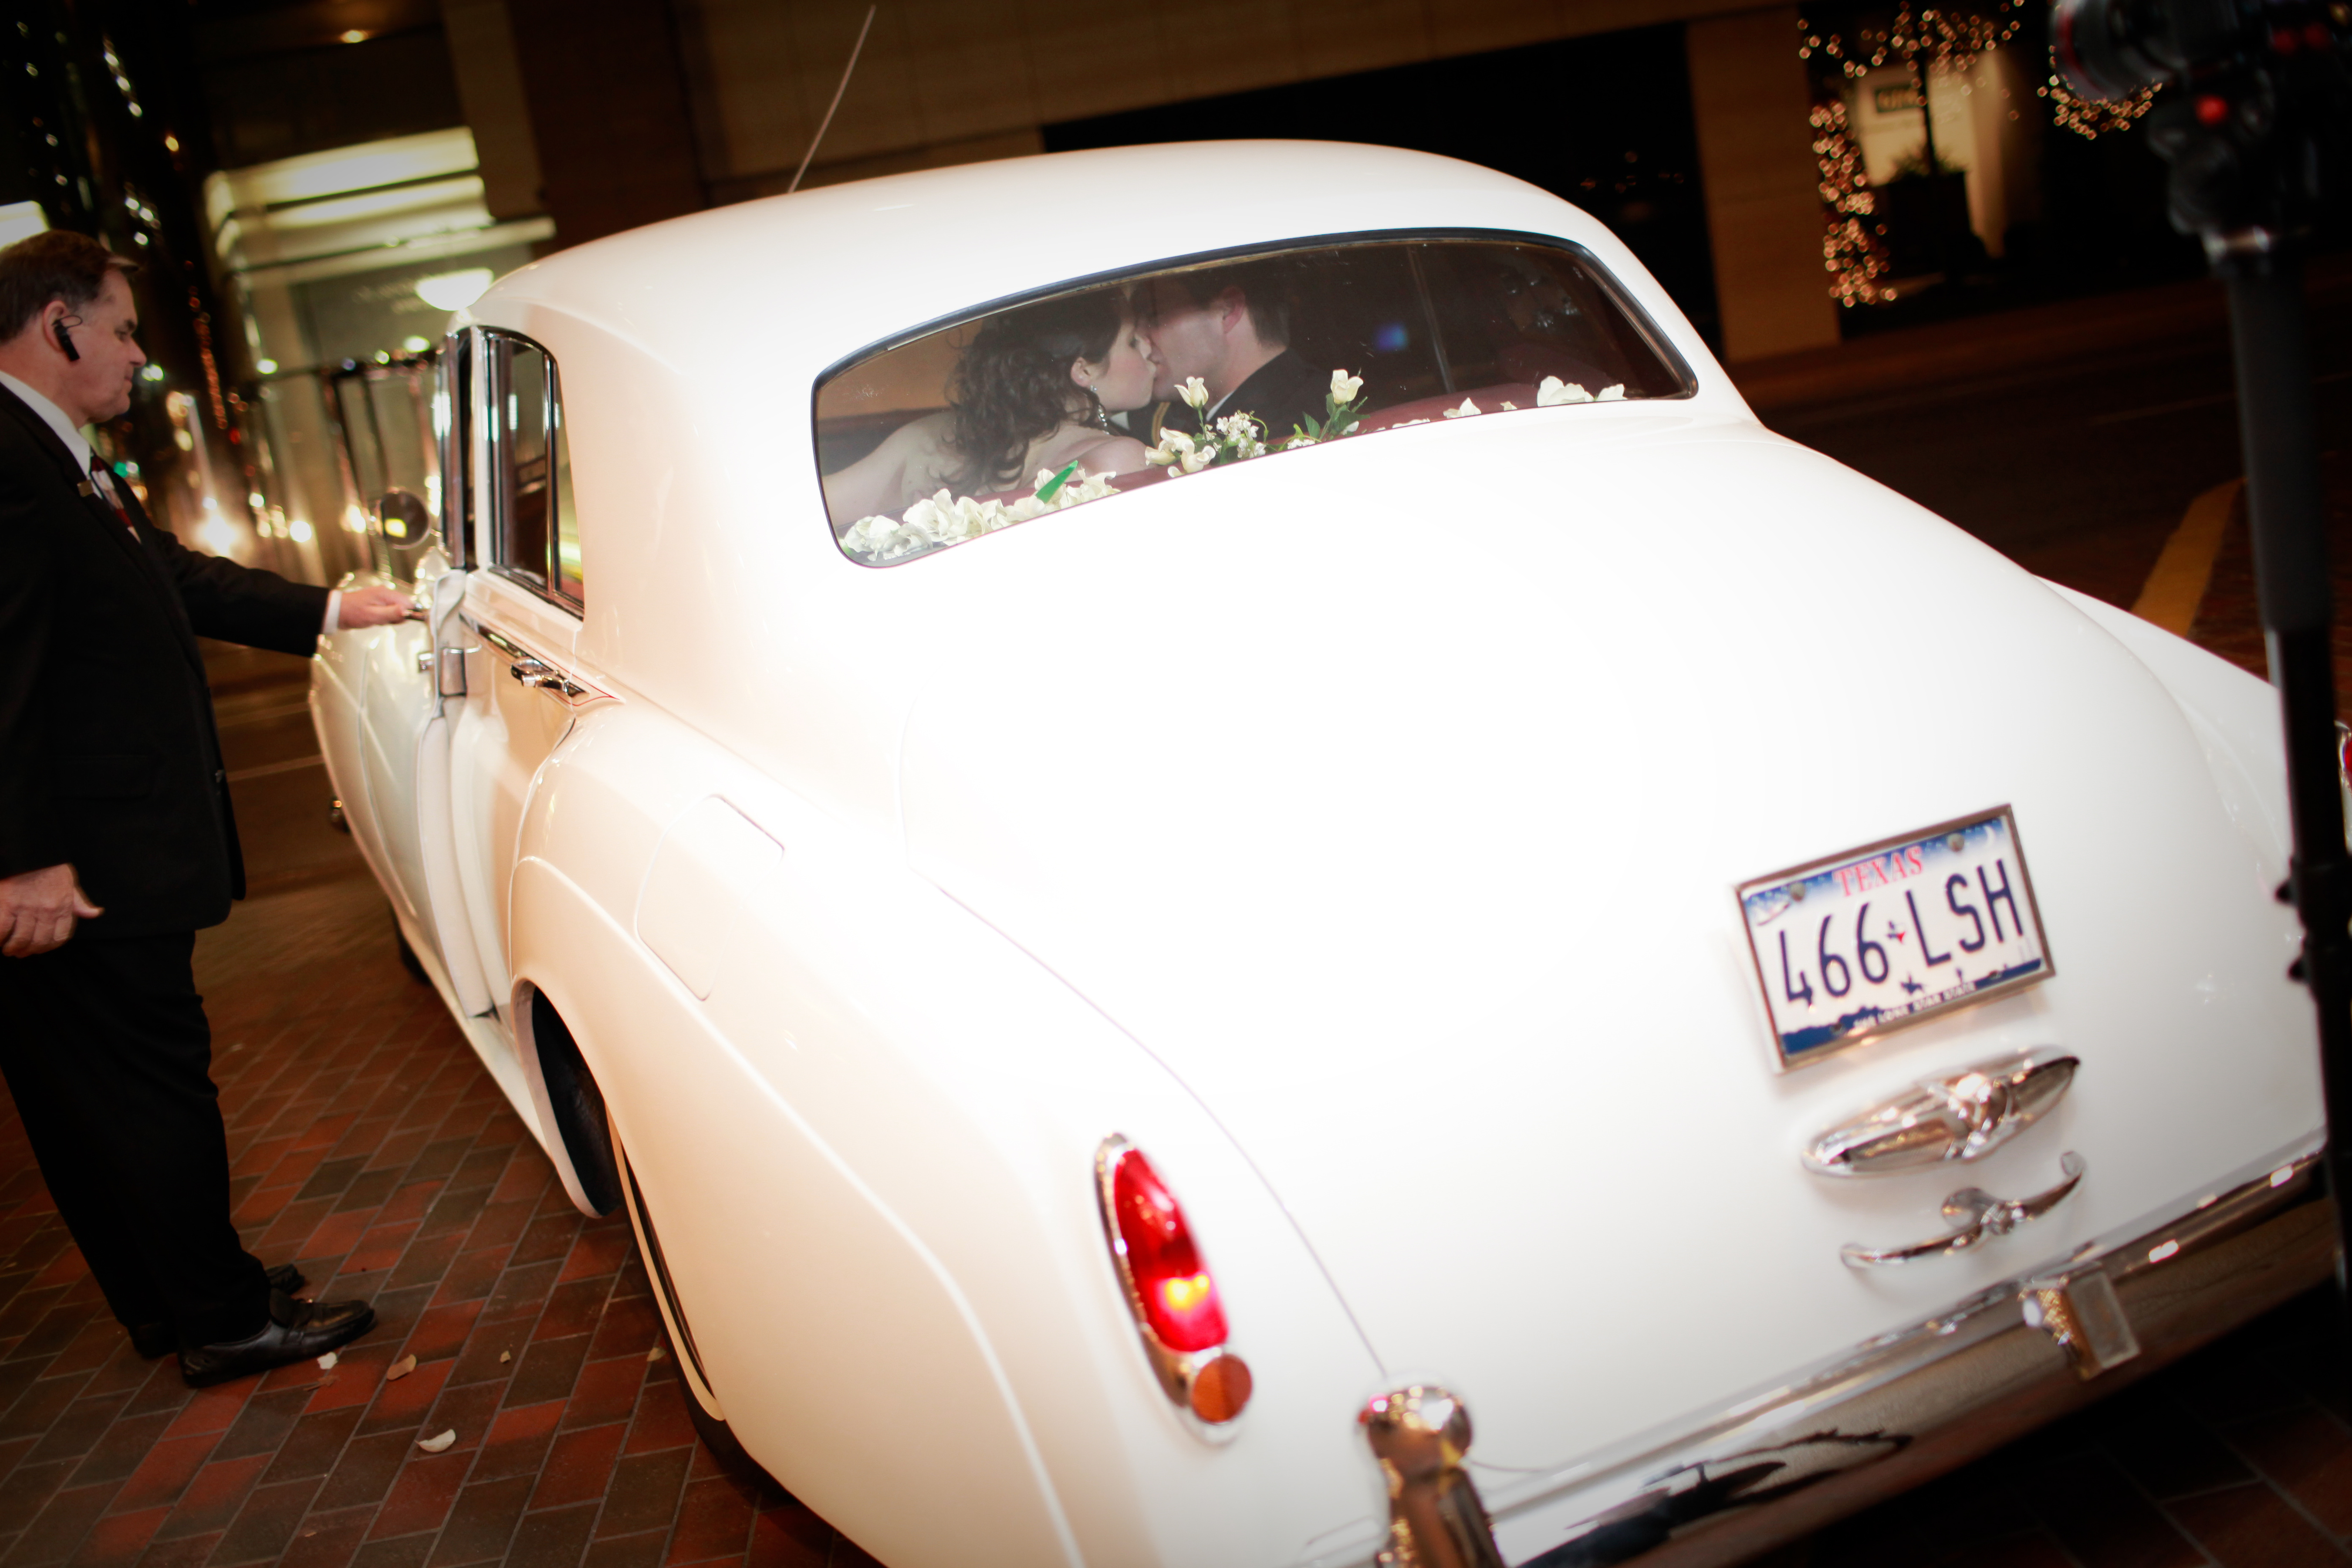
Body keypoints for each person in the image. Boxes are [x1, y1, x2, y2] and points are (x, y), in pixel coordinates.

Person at [0, 230, 411, 1386]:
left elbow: (170, 575)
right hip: (85, 859)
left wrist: (329, 609)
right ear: (60, 325)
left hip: (90, 850)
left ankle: (172, 1297)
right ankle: (224, 1321)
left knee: (90, 1097)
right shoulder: (9, 462)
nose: (140, 355)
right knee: (151, 1087)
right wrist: (23, 859)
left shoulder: (54, 452)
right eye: (124, 329)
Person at [824, 288, 1153, 529]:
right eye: (1132, 342)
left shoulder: (928, 437)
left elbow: (818, 507)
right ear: (1084, 369)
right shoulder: (1118, 459)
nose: (1149, 349)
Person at [1134, 263, 1329, 444]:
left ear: (1227, 310)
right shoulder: (1306, 403)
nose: (1140, 340)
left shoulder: (1292, 434)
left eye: (1154, 316)